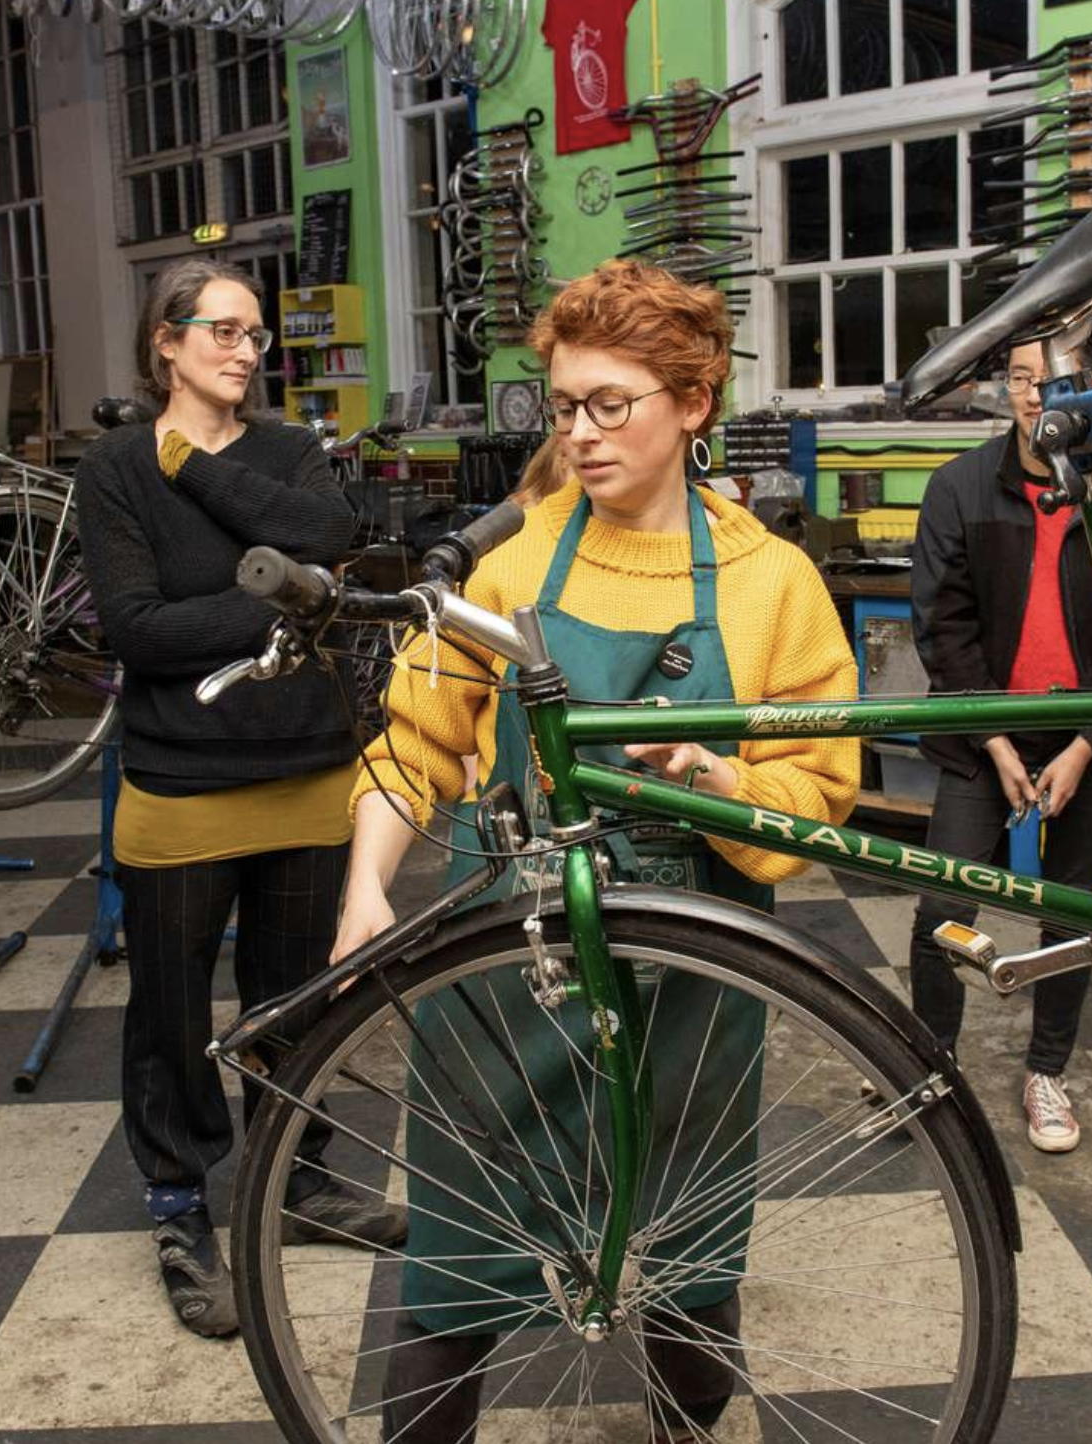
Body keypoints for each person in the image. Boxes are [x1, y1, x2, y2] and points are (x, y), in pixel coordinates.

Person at [331, 259, 860, 1441]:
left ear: (695, 403)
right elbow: (412, 742)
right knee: (454, 1283)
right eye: (563, 405)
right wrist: (365, 882)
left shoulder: (775, 586)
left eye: (611, 403)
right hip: (506, 976)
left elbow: (823, 791)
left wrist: (728, 776)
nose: (579, 432)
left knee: (688, 1285)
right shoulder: (512, 563)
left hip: (692, 989)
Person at [73, 258, 404, 1339]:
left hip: (308, 770)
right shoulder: (117, 467)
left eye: (256, 333)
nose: (245, 348)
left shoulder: (286, 452)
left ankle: (297, 1178)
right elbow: (138, 631)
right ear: (165, 342)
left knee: (297, 996)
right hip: (180, 784)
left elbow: (333, 544)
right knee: (169, 1011)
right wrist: (276, 604)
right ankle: (180, 1207)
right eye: (220, 329)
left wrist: (204, 473)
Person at [905, 338, 1092, 1154]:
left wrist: (1087, 741)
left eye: (1050, 381)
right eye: (1019, 379)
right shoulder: (959, 486)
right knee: (943, 903)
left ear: (1087, 387)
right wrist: (992, 736)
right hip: (984, 731)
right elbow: (941, 624)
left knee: (1071, 907)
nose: (1032, 395)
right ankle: (926, 1068)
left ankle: (1046, 1071)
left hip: (1090, 734)